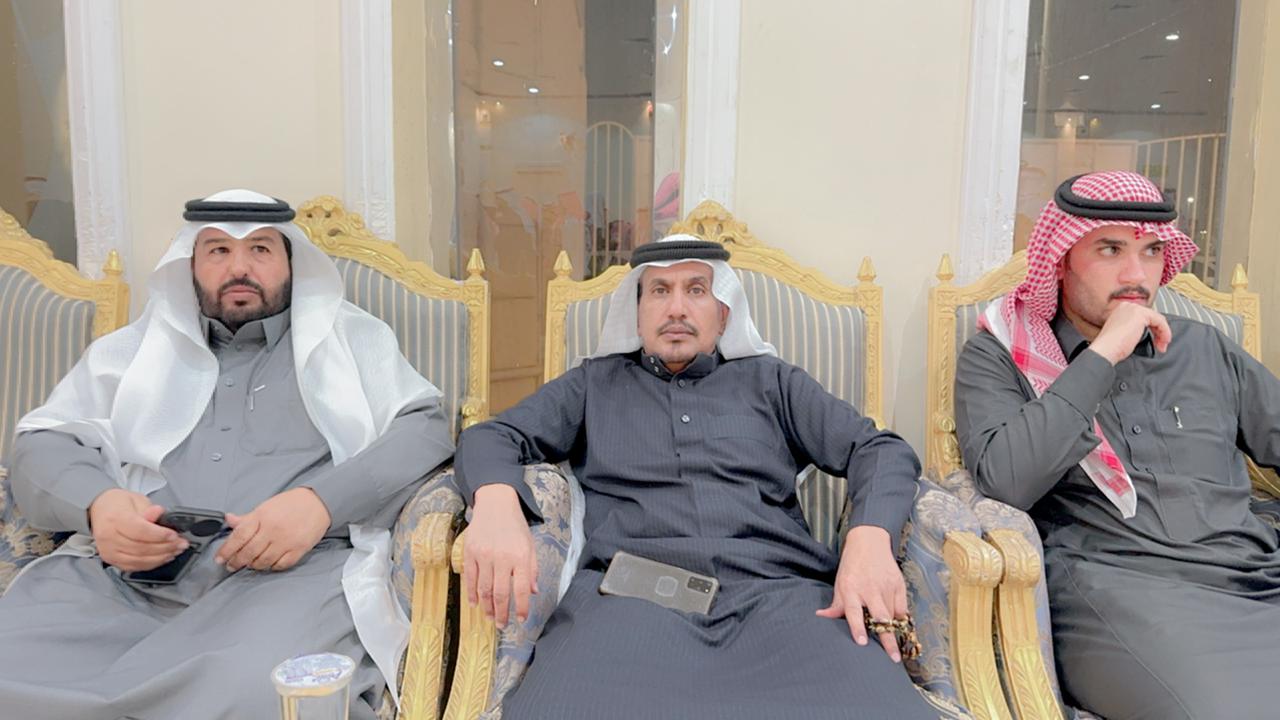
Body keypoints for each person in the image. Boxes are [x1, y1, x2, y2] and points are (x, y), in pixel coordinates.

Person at [0, 189, 454, 719]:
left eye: (260, 249)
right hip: (127, 582)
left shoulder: (352, 341)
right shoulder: (133, 350)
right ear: (190, 265)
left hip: (286, 583)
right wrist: (99, 504)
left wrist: (320, 504)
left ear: (291, 264)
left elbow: (424, 431)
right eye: (218, 250)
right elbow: (42, 442)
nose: (240, 267)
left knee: (261, 692)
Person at [456, 236, 938, 719]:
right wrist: (496, 504)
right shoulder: (593, 385)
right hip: (628, 604)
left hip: (781, 598)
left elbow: (879, 449)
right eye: (659, 290)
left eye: (696, 290)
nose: (677, 308)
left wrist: (870, 537)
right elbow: (491, 436)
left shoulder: (772, 382)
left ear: (723, 314)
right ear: (637, 314)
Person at [954, 170, 1280, 719]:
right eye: (1110, 249)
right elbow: (1007, 479)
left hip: (1255, 574)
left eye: (1151, 252)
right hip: (1121, 590)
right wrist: (1103, 354)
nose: (1136, 275)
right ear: (1060, 260)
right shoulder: (1002, 356)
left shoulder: (1204, 348)